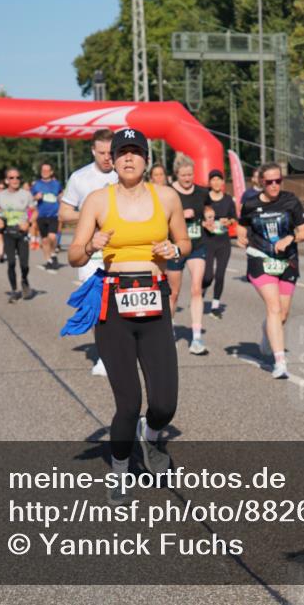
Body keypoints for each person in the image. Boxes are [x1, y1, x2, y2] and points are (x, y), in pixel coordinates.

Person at [67, 127, 188, 503]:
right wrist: (90, 245)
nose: (129, 158)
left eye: (136, 152)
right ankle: (120, 469)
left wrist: (173, 249)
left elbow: (184, 243)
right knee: (128, 402)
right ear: (112, 161)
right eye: (122, 153)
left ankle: (151, 438)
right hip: (114, 304)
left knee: (165, 403)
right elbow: (73, 255)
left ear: (146, 158)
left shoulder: (166, 197)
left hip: (154, 300)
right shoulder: (97, 201)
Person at [237, 162, 304, 379]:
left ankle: (266, 331)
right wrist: (241, 236)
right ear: (261, 182)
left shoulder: (290, 201)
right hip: (260, 259)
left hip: (287, 260)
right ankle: (280, 362)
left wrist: (291, 237)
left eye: (277, 181)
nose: (274, 186)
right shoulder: (251, 204)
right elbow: (242, 224)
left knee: (283, 313)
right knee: (274, 308)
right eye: (269, 182)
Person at [61, 128, 118, 376]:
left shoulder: (125, 173)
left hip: (120, 248)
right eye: (102, 152)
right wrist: (89, 216)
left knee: (121, 302)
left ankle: (125, 350)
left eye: (110, 152)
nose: (107, 158)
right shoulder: (80, 178)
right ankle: (105, 356)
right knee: (99, 303)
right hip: (91, 251)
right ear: (93, 151)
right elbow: (64, 214)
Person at [168, 154, 211, 355]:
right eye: (184, 175)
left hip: (197, 246)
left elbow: (208, 209)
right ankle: (168, 331)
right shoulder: (169, 194)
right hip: (175, 247)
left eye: (190, 174)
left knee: (196, 289)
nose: (187, 178)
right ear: (176, 174)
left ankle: (196, 339)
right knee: (173, 293)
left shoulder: (202, 192)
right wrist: (180, 216)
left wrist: (209, 218)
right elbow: (160, 218)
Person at [0, 168, 36, 303]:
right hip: (8, 232)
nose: (15, 180)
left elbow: (34, 211)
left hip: (22, 233)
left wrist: (29, 222)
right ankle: (15, 290)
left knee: (24, 265)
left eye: (17, 177)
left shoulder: (26, 194)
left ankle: (24, 280)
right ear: (6, 180)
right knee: (10, 263)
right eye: (11, 178)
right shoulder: (1, 195)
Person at [202, 169, 237, 318]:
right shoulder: (204, 198)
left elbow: (234, 218)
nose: (216, 182)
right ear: (209, 182)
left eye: (219, 179)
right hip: (207, 241)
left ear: (223, 182)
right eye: (213, 180)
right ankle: (202, 290)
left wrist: (227, 221)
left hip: (223, 242)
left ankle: (215, 306)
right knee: (208, 276)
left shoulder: (228, 199)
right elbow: (198, 217)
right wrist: (204, 224)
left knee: (221, 275)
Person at [32, 162, 63, 270]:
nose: (45, 172)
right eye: (43, 170)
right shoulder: (36, 184)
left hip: (54, 214)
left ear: (51, 172)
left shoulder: (56, 184)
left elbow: (60, 195)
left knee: (52, 237)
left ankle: (53, 252)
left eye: (47, 170)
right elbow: (32, 198)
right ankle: (48, 260)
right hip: (41, 215)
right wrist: (36, 197)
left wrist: (61, 200)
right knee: (44, 240)